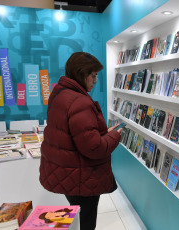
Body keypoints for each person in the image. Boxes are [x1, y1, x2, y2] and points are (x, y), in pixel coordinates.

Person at [40, 52, 122, 230]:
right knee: (86, 220)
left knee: (77, 218)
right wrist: (114, 136)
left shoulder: (59, 93)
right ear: (82, 74)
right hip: (82, 176)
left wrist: (101, 132)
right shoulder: (80, 101)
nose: (95, 81)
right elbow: (94, 148)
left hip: (67, 171)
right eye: (93, 76)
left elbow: (75, 134)